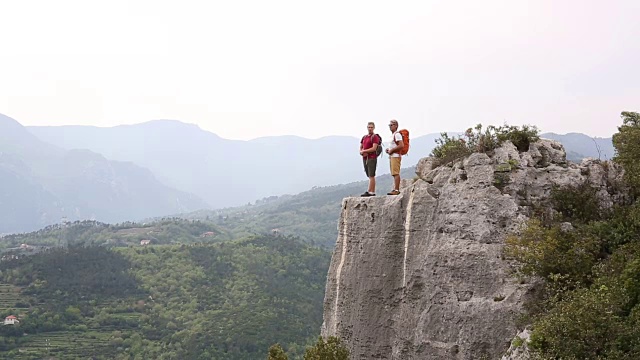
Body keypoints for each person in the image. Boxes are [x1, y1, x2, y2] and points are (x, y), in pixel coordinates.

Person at [359, 122, 381, 197]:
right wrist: (361, 152)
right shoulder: (364, 137)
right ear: (367, 128)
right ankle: (370, 190)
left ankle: (371, 191)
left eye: (371, 127)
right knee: (368, 174)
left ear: (374, 128)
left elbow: (374, 148)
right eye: (369, 127)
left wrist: (365, 151)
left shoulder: (374, 137)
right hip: (365, 158)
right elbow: (361, 146)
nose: (370, 129)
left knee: (372, 174)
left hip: (372, 157)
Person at [385, 119, 404, 195]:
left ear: (396, 126)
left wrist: (392, 150)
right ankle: (395, 189)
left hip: (396, 156)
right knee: (394, 173)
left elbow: (401, 145)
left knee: (396, 173)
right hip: (392, 156)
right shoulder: (392, 135)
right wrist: (389, 150)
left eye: (391, 125)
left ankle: (396, 190)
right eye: (389, 125)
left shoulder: (397, 135)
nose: (390, 126)